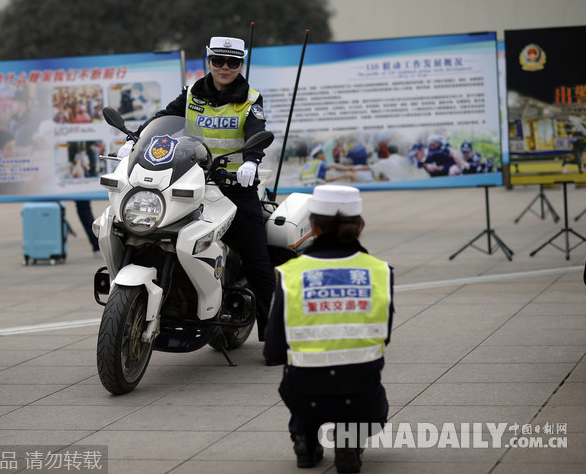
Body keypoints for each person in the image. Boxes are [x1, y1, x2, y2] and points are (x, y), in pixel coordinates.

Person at [120, 36, 276, 340]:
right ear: (209, 61)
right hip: (193, 182)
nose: (225, 68)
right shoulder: (192, 92)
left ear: (241, 63)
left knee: (258, 258)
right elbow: (165, 118)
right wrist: (134, 140)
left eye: (233, 62)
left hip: (234, 187)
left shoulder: (250, 99)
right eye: (219, 61)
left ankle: (274, 337)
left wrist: (252, 162)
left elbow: (258, 131)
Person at [264, 185, 393, 471]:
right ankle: (353, 437)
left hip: (304, 392)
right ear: (359, 225)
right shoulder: (380, 271)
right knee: (371, 397)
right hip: (362, 389)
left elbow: (273, 349)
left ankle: (304, 438)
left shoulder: (291, 274)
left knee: (304, 387)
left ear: (312, 227)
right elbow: (385, 335)